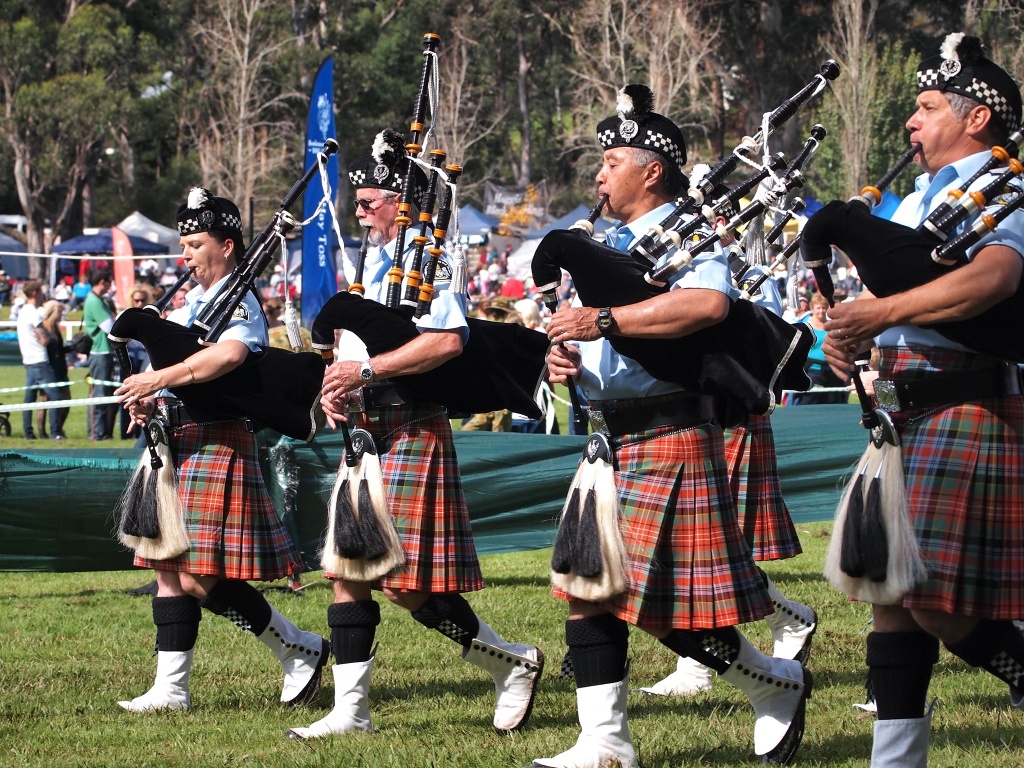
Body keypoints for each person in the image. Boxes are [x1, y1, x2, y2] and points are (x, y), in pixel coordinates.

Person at [530, 85, 811, 768]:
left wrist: (602, 321)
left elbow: (709, 304)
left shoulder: (687, 235)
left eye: (612, 160)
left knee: (663, 609)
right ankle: (605, 743)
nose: (599, 172)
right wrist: (565, 354)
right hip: (608, 436)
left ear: (652, 169)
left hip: (670, 429)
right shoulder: (603, 243)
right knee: (585, 588)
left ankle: (772, 683)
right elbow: (596, 333)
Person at [288, 132, 544, 740]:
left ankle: (507, 663)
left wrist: (369, 371)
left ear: (402, 201)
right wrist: (337, 383)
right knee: (346, 570)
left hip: (410, 426)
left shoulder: (432, 261)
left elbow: (446, 342)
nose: (358, 210)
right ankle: (351, 713)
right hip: (367, 426)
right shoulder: (375, 264)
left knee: (404, 585)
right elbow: (358, 345)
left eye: (369, 200)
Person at [821, 34, 1024, 767]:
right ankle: (895, 759)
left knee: (936, 602)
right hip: (904, 408)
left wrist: (882, 312)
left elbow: (992, 281)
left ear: (976, 120)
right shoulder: (914, 199)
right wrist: (855, 334)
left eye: (928, 106)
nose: (911, 120)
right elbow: (895, 302)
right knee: (889, 591)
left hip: (967, 405)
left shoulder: (1009, 187)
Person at [113, 187, 329, 713]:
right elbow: (180, 366)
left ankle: (297, 647)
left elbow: (229, 356)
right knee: (167, 565)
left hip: (216, 439)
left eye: (195, 243)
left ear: (228, 246)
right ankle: (171, 688)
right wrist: (150, 395)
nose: (184, 254)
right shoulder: (192, 304)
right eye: (183, 243)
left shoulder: (242, 300)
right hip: (176, 437)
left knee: (199, 574)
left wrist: (161, 376)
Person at [640, 209, 818, 699]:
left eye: (721, 218)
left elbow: (764, 350)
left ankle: (774, 628)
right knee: (694, 554)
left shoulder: (750, 279)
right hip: (691, 417)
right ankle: (787, 620)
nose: (713, 227)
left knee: (715, 555)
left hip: (735, 418)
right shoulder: (676, 273)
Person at [16, 280, 61, 440]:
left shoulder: (22, 311)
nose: (43, 295)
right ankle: (56, 433)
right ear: (35, 293)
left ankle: (28, 432)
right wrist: (46, 336)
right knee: (56, 396)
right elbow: (45, 340)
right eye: (41, 292)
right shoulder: (34, 313)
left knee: (29, 399)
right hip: (40, 361)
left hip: (28, 360)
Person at [788, 292, 849, 405]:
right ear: (812, 308)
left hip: (831, 372)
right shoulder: (804, 326)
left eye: (824, 308)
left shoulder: (832, 326)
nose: (821, 311)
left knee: (833, 404)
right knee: (808, 405)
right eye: (818, 308)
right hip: (812, 372)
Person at [83, 269, 117, 440]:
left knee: (105, 394)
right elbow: (110, 327)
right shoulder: (94, 301)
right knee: (99, 395)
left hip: (106, 352)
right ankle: (96, 434)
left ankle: (102, 432)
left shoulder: (100, 300)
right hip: (100, 353)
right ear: (102, 281)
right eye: (110, 282)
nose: (111, 286)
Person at [39, 299, 70, 439]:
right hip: (49, 368)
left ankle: (57, 428)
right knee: (45, 400)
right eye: (60, 312)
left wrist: (73, 346)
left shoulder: (55, 328)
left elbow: (60, 349)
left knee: (66, 401)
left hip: (61, 368)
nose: (61, 315)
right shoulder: (42, 328)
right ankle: (47, 432)